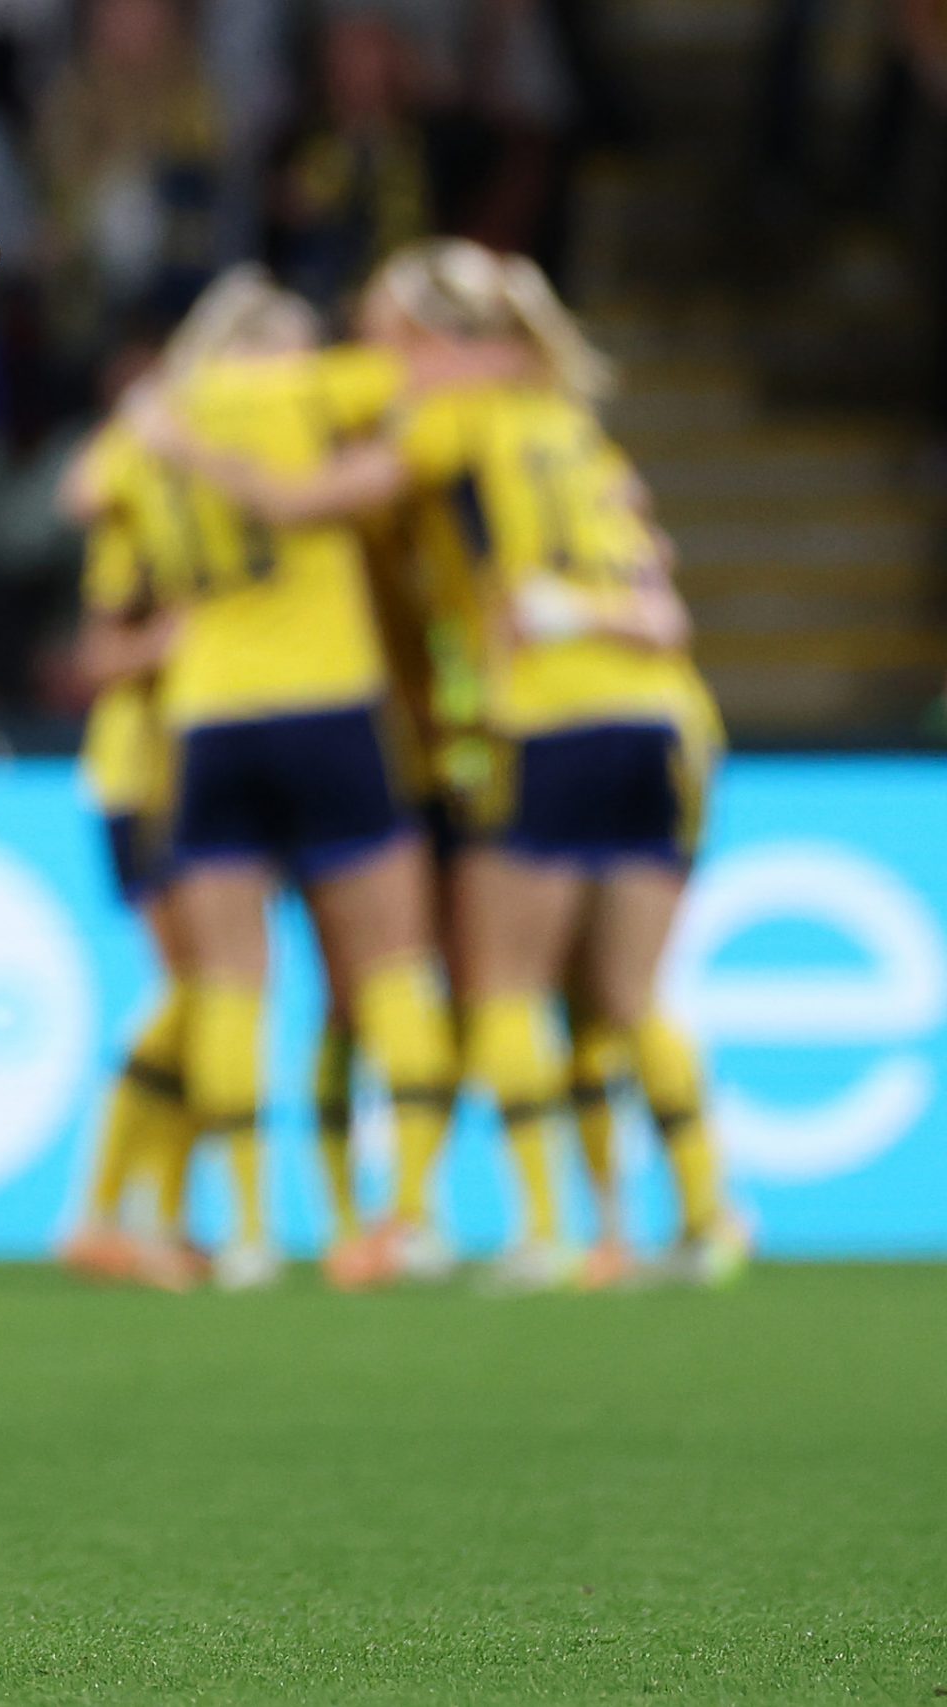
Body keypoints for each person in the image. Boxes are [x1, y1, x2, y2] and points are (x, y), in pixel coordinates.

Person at [157, 242, 742, 1291]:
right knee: (624, 995)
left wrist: (187, 442)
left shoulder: (450, 418)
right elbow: (662, 593)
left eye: (387, 331)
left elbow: (311, 503)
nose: (373, 354)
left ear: (438, 340)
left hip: (542, 717)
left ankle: (549, 1233)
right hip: (666, 720)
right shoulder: (577, 434)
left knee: (502, 983)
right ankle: (700, 1221)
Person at [122, 268, 461, 1292]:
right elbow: (432, 382)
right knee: (390, 966)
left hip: (208, 713)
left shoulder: (162, 418)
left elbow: (87, 499)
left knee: (230, 981)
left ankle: (251, 1235)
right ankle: (408, 1216)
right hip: (327, 700)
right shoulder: (314, 387)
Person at [54, 404, 202, 1289]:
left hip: (194, 769)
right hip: (139, 772)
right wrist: (174, 642)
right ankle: (105, 1211)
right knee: (193, 989)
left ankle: (154, 1216)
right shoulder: (142, 510)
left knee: (207, 994)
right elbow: (97, 657)